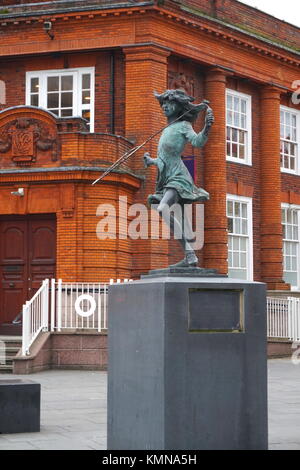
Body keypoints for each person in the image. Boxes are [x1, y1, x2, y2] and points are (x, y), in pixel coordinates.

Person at [143, 88, 214, 267]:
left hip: (179, 176)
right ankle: (189, 257)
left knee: (162, 208)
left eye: (171, 103)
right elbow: (164, 158)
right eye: (164, 103)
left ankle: (190, 254)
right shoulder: (166, 129)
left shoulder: (184, 126)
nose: (166, 106)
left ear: (179, 106)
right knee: (181, 218)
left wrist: (207, 127)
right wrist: (151, 161)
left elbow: (197, 142)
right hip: (166, 178)